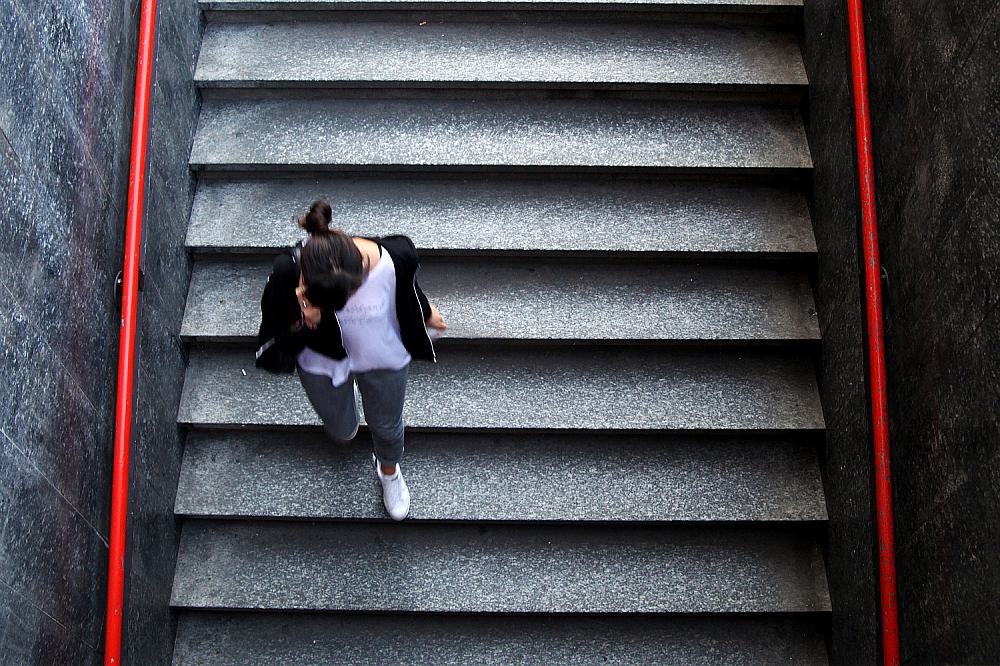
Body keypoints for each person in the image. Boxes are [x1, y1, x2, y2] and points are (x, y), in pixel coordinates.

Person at [255, 199, 447, 520]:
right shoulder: (288, 272)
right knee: (343, 430)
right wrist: (306, 319)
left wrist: (426, 312)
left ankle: (388, 470)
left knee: (386, 426)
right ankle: (351, 405)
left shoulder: (394, 256)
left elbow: (407, 288)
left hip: (383, 358)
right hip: (325, 364)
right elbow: (275, 343)